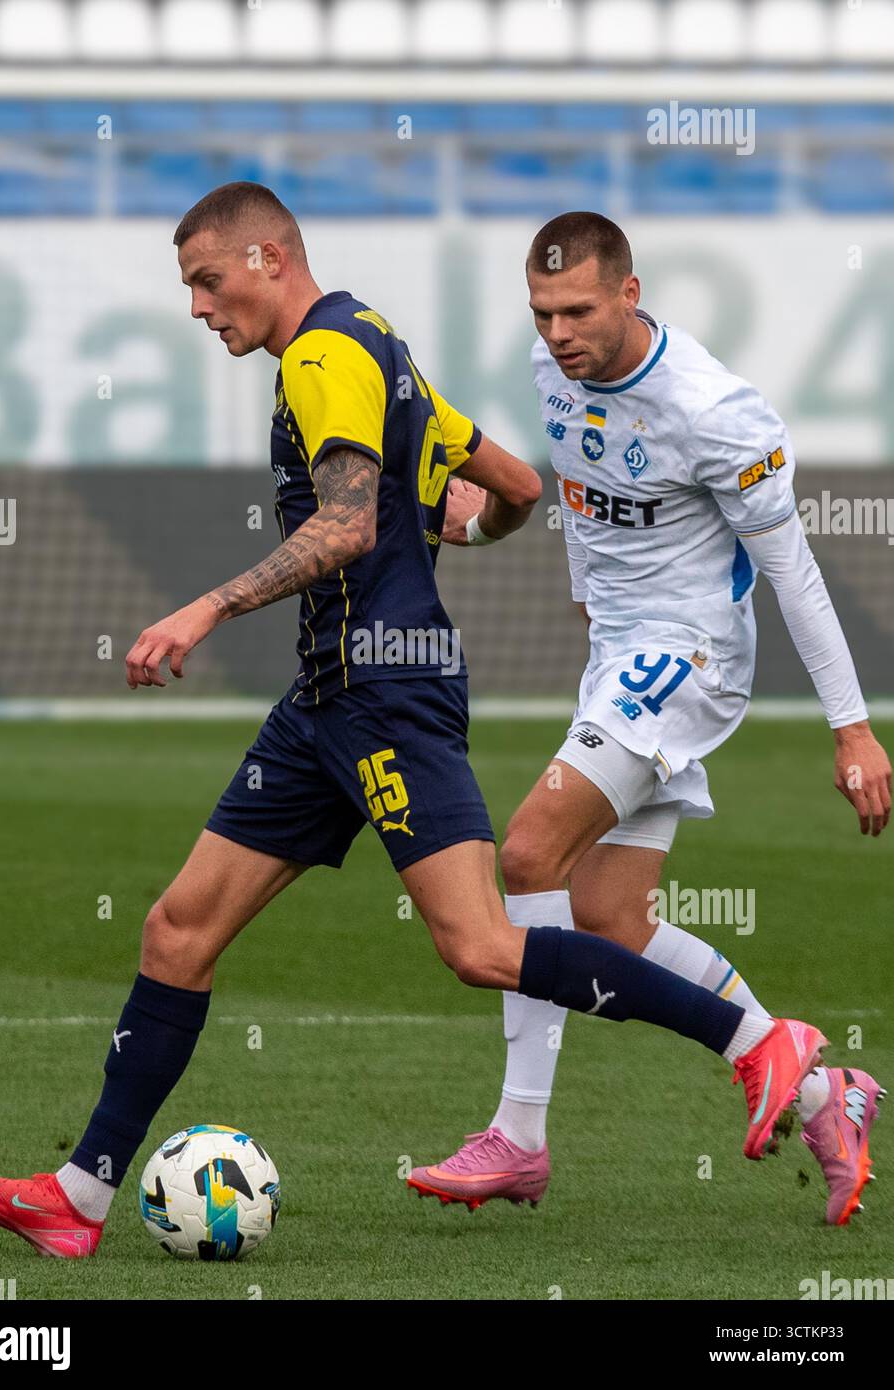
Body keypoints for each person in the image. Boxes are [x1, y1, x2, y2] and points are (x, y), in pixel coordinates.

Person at [0, 187, 826, 1257]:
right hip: (323, 700)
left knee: (483, 945)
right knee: (178, 929)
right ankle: (79, 1198)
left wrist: (207, 606)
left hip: (386, 695)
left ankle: (754, 1042)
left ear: (267, 259)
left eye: (207, 281)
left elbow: (349, 526)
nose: (197, 308)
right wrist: (459, 514)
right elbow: (510, 483)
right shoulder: (377, 340)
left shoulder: (321, 359)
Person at [408, 212, 889, 1227]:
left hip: (687, 659)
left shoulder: (715, 409)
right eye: (543, 313)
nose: (559, 331)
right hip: (616, 663)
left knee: (529, 853)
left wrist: (851, 726)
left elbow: (792, 572)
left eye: (579, 308)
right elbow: (580, 505)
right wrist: (492, 538)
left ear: (631, 292)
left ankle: (519, 1136)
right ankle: (819, 1091)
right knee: (610, 922)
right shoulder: (556, 375)